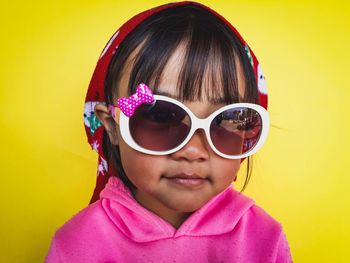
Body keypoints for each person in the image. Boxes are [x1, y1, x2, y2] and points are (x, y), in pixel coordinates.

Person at [45, 1, 293, 262]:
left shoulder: (264, 239)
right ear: (112, 126)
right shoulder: (78, 244)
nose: (193, 151)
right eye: (161, 115)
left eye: (224, 119)